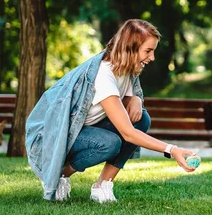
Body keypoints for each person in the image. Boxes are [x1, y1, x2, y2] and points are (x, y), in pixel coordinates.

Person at [25, 19, 196, 202]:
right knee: (109, 143)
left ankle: (102, 186)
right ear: (130, 49)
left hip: (82, 130)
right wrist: (172, 150)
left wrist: (135, 99)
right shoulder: (103, 74)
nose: (152, 57)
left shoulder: (126, 69)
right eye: (148, 51)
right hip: (53, 135)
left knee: (141, 119)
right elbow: (128, 133)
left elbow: (127, 100)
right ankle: (59, 175)